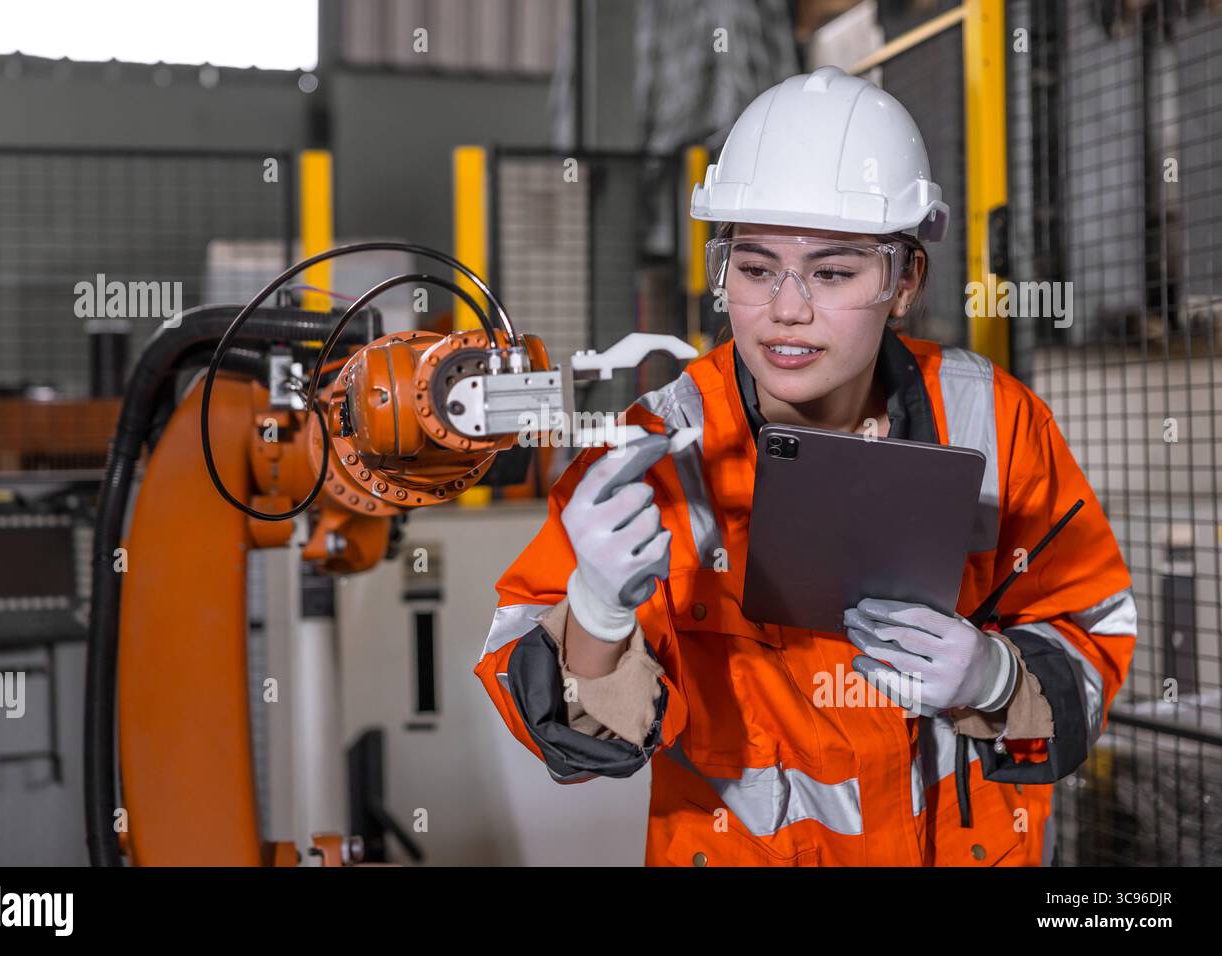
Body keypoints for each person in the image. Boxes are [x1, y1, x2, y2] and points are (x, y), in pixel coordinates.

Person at [474, 66, 1136, 866]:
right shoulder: (649, 456)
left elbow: (1094, 636)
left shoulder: (997, 421)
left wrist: (997, 682)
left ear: (904, 280)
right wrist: (597, 617)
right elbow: (573, 747)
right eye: (755, 269)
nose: (787, 308)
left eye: (832, 272)